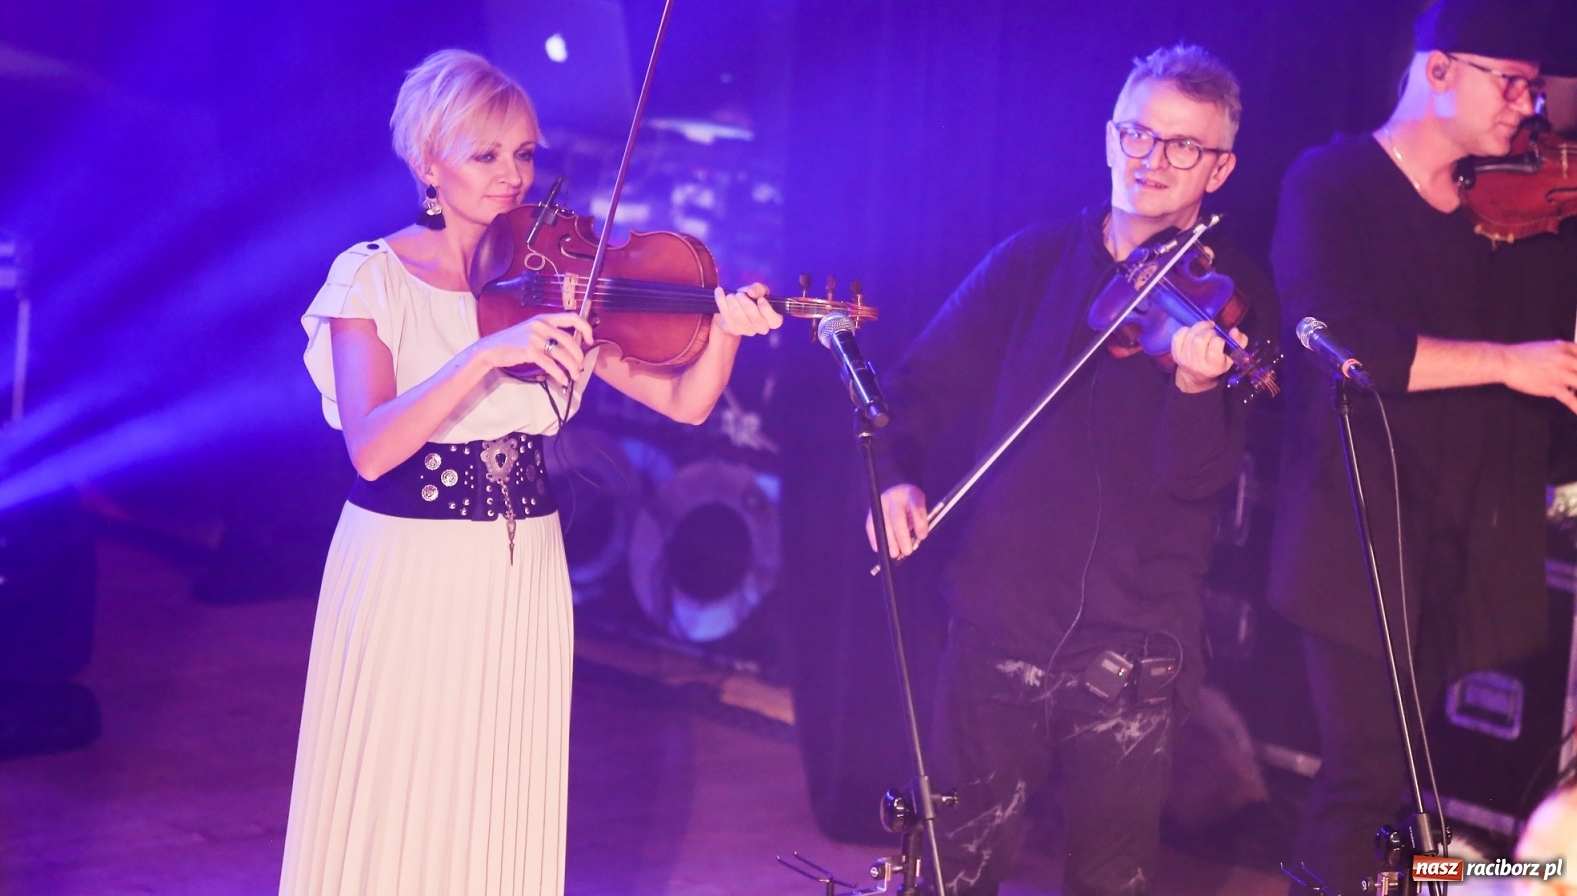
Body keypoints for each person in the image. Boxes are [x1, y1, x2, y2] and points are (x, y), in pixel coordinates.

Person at [278, 49, 781, 895]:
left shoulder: (557, 284)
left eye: (523, 153)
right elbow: (371, 446)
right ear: (427, 161)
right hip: (407, 566)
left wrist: (726, 330)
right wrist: (483, 354)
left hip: (523, 567)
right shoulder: (371, 278)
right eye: (486, 155)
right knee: (405, 785)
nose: (512, 176)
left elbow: (687, 402)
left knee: (497, 787)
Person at [871, 44, 1275, 896]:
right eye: (1137, 134)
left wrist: (1196, 389)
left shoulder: (1230, 299)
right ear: (1109, 137)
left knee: (1110, 881)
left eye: (1183, 146)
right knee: (949, 874)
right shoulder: (1031, 261)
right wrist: (893, 478)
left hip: (1136, 649)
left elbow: (1197, 480)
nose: (1151, 159)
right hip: (999, 625)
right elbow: (912, 392)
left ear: (1220, 170)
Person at [1269, 0, 1577, 896]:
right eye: (1510, 83)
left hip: (1459, 542)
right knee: (1362, 776)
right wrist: (1508, 363)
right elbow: (1345, 340)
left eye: (1535, 88)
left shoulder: (1522, 211)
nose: (1529, 107)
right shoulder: (1332, 184)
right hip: (1357, 535)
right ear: (1438, 71)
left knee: (1394, 786)